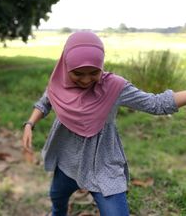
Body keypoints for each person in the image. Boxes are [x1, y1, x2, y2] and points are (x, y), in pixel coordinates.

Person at [22, 31, 186, 216]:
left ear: (102, 66)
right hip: (67, 159)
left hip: (102, 163)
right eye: (78, 74)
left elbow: (156, 104)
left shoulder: (115, 87)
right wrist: (30, 123)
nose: (85, 80)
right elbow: (45, 102)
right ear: (66, 66)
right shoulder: (59, 82)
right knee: (57, 198)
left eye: (94, 72)